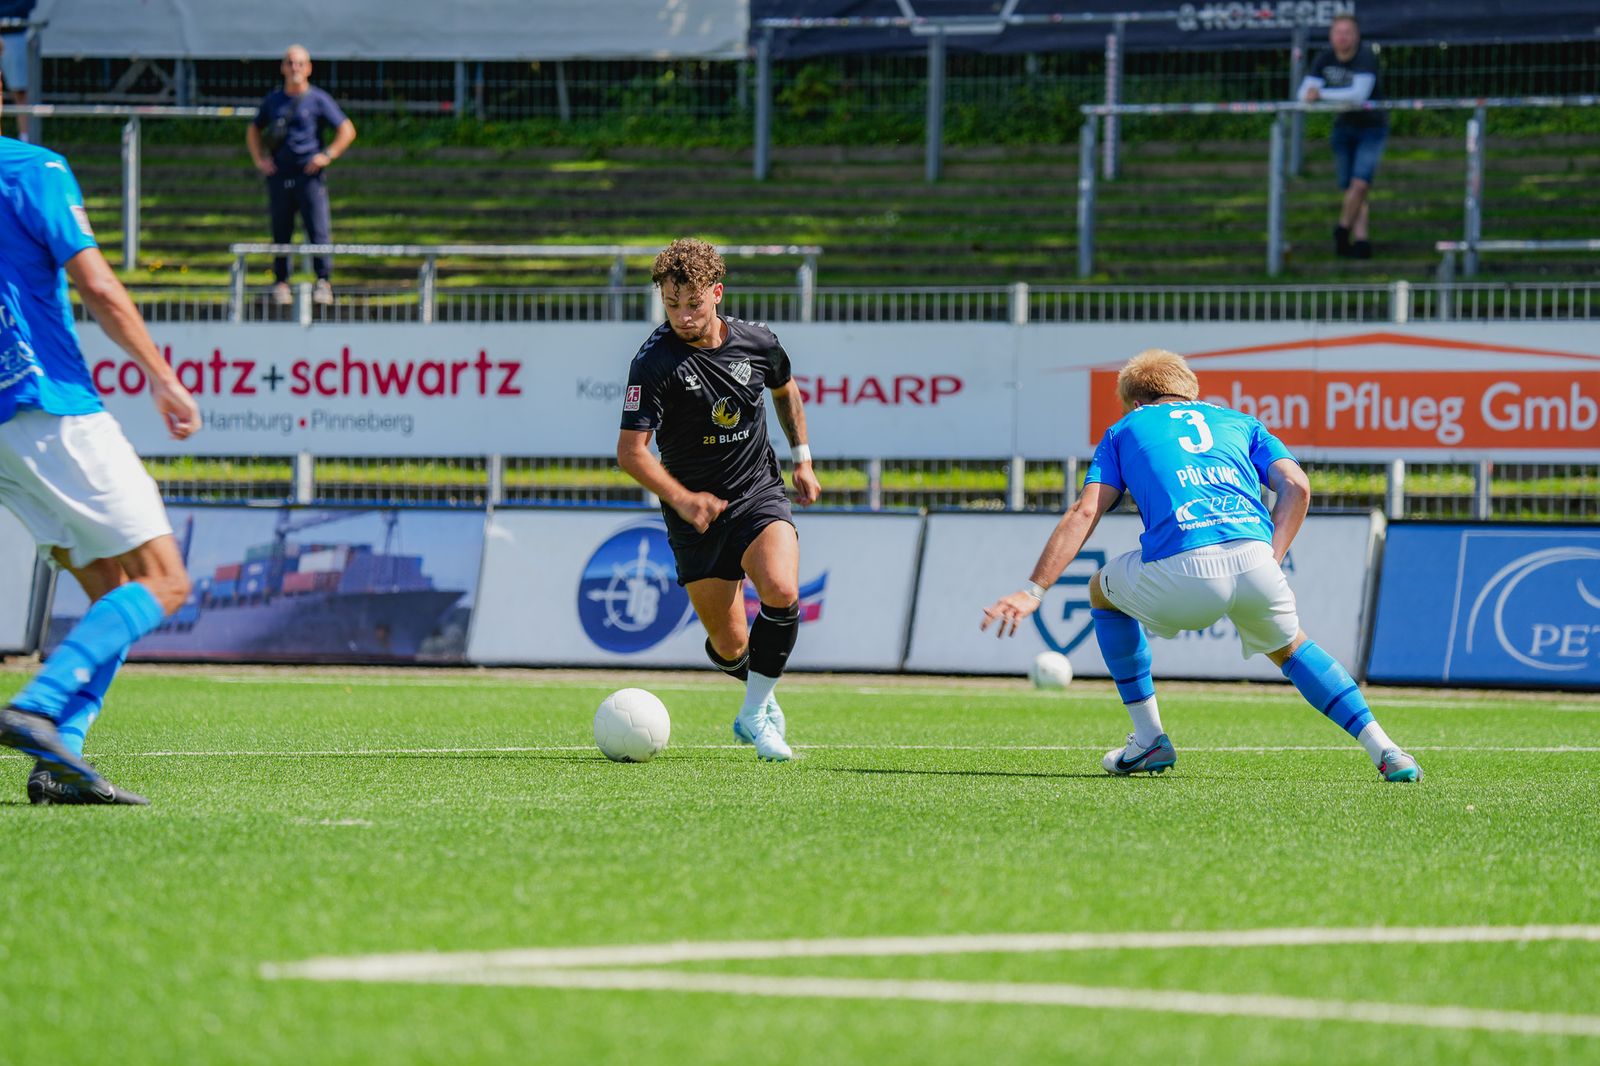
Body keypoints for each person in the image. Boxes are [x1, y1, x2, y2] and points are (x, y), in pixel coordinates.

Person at [980, 349, 1421, 784]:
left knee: (1101, 590)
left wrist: (1034, 590)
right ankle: (1386, 749)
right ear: (1191, 392)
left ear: (1137, 402)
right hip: (1256, 561)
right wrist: (1272, 556)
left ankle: (1149, 737)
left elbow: (1085, 511)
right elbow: (1297, 486)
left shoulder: (1124, 430)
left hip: (1184, 569)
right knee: (1291, 649)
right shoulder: (1241, 422)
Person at [0, 68, 201, 805]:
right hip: (49, 407)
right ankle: (37, 706)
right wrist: (164, 377)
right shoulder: (32, 168)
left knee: (110, 594)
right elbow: (100, 287)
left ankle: (61, 762)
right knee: (166, 580)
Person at [616, 238, 822, 762]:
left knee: (781, 589)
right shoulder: (653, 362)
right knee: (730, 646)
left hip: (757, 493)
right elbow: (631, 453)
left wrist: (802, 458)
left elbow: (785, 390)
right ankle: (759, 697)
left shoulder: (758, 342)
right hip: (695, 517)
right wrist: (684, 500)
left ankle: (754, 712)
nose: (683, 316)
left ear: (716, 293)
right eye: (671, 304)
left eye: (692, 303)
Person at [246, 44, 356, 307]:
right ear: (283, 67)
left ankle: (323, 281)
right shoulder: (273, 100)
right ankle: (281, 282)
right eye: (290, 63)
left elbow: (347, 129)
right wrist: (260, 160)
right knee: (281, 231)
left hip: (309, 176)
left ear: (309, 68)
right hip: (279, 175)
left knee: (318, 230)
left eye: (300, 63)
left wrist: (327, 155)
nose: (295, 68)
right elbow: (254, 129)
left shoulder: (318, 99)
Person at [1299, 14, 1387, 259]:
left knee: (1360, 183)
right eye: (1338, 32)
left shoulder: (1365, 57)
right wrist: (1315, 95)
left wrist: (1321, 95)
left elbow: (1358, 96)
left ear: (1356, 36)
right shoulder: (1324, 58)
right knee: (1352, 188)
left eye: (1348, 32)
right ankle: (1361, 241)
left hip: (1372, 127)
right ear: (1331, 35)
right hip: (1343, 127)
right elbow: (1303, 94)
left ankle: (1342, 229)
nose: (1343, 37)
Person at [0, 1, 34, 143]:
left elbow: (28, 3)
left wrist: (3, 17)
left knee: (19, 91)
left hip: (14, 35)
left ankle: (24, 138)